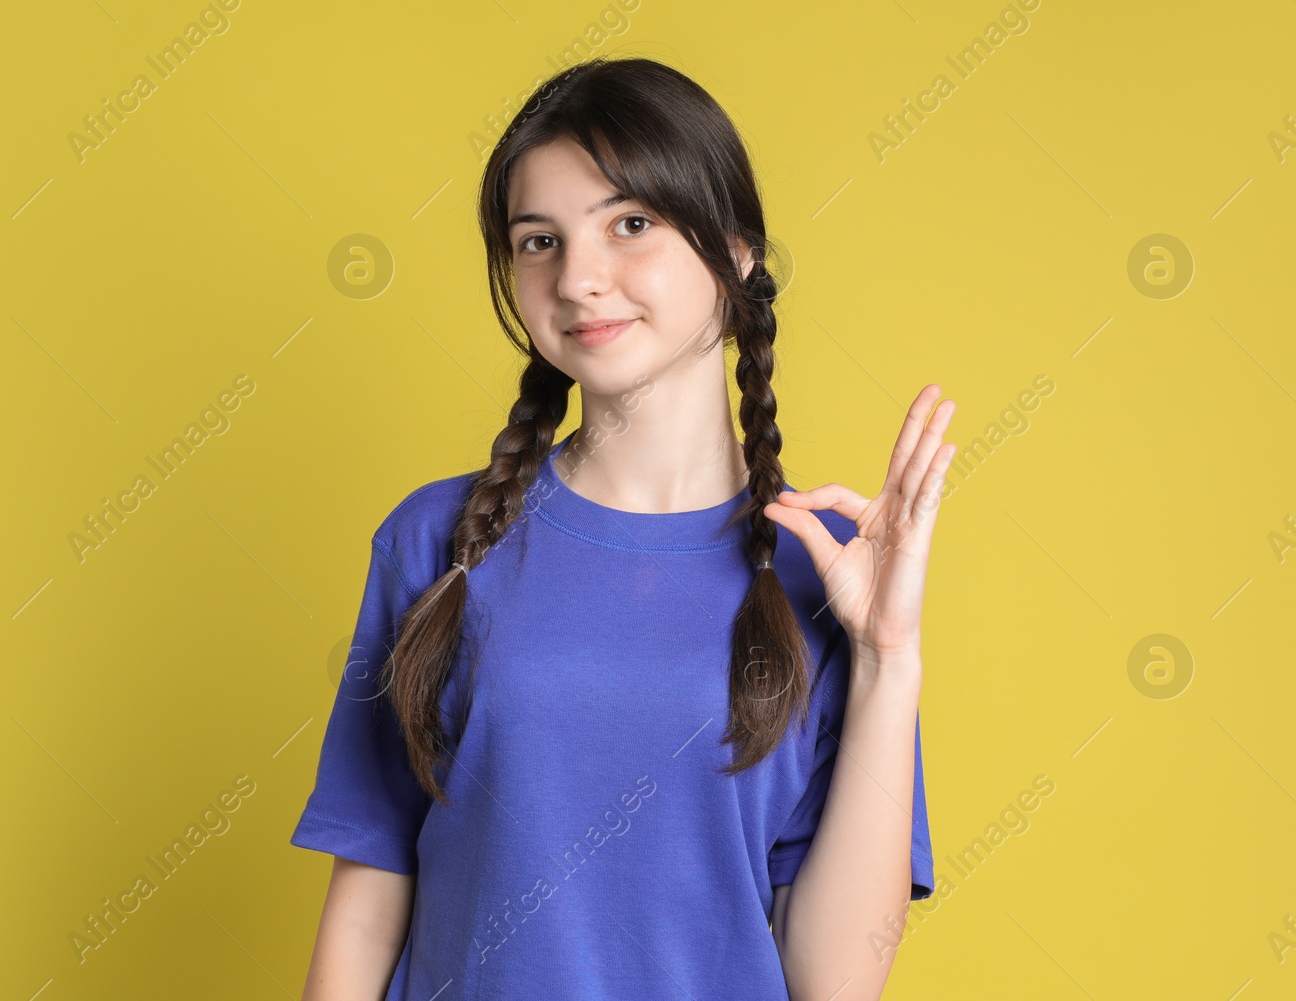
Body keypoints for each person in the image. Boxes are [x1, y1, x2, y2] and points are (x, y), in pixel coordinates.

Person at [292, 55, 957, 1001]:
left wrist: (890, 656)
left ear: (736, 253)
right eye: (538, 240)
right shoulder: (437, 540)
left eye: (630, 224)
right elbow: (367, 894)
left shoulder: (825, 577)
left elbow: (834, 980)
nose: (578, 279)